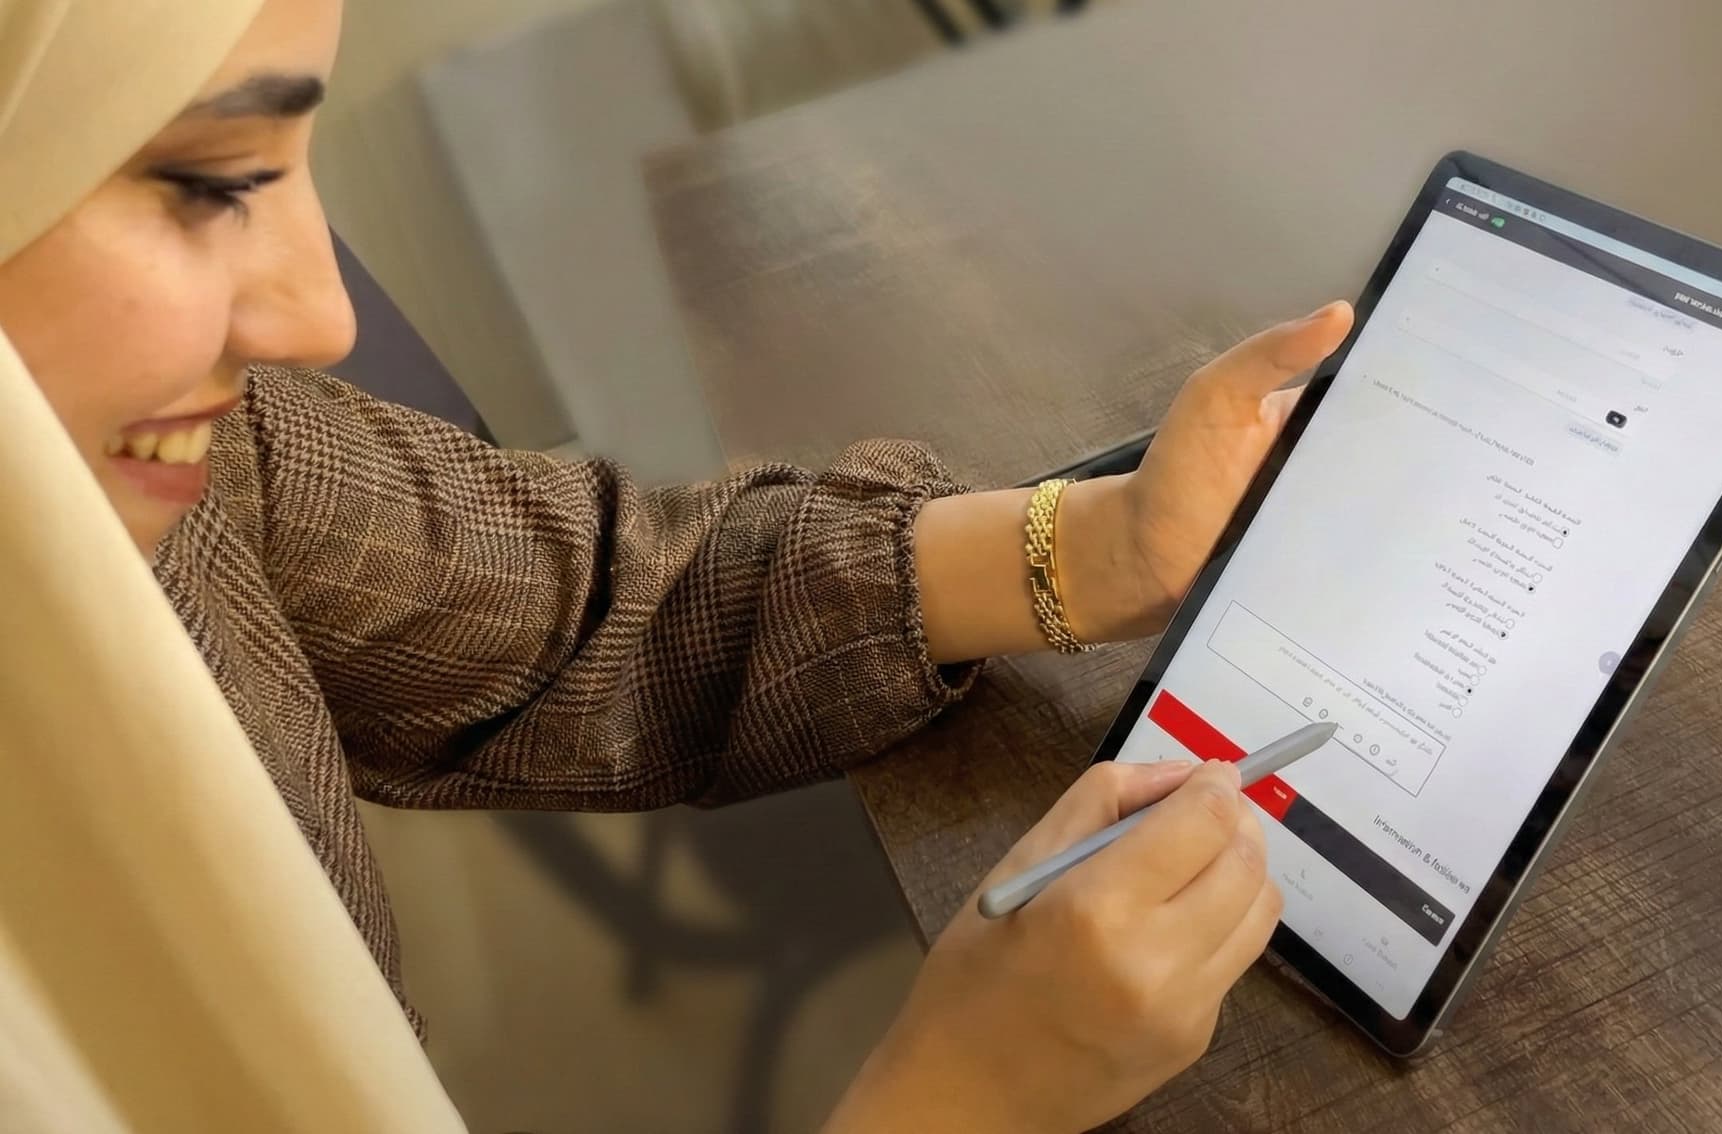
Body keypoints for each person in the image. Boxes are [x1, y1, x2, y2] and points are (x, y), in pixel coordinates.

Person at [0, 1, 1353, 1129]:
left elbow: (588, 604)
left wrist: (1090, 548)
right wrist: (957, 1099)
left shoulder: (165, 462)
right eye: (214, 182)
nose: (322, 315)